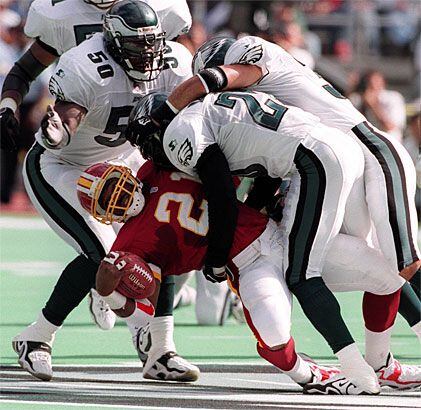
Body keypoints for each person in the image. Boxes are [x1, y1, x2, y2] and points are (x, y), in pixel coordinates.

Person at [134, 35, 421, 387]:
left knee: (311, 272)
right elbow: (265, 166)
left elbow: (223, 190)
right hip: (342, 155)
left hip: (358, 155)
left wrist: (219, 257)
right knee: (387, 268)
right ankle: (379, 364)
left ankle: (359, 372)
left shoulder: (206, 102)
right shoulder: (253, 97)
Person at [78, 158, 418, 393]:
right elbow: (146, 304)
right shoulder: (127, 244)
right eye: (107, 199)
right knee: (273, 335)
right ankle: (308, 374)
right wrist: (108, 293)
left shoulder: (157, 167)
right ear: (101, 214)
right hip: (248, 264)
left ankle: (379, 362)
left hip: (284, 234)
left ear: (124, 173)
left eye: (113, 186)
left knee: (386, 271)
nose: (118, 196)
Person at [11, 0, 198, 383]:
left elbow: (195, 114)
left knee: (160, 238)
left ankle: (160, 351)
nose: (147, 57)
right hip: (64, 167)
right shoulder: (85, 65)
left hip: (125, 163)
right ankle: (36, 337)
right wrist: (56, 130)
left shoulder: (174, 60)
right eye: (136, 48)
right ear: (112, 44)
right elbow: (67, 117)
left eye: (152, 45)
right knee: (103, 252)